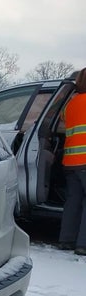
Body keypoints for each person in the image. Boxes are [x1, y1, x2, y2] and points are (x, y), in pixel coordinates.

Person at [59, 67, 86, 254]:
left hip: (70, 161)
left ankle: (66, 240)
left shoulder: (70, 103)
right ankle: (83, 245)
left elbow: (62, 121)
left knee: (73, 202)